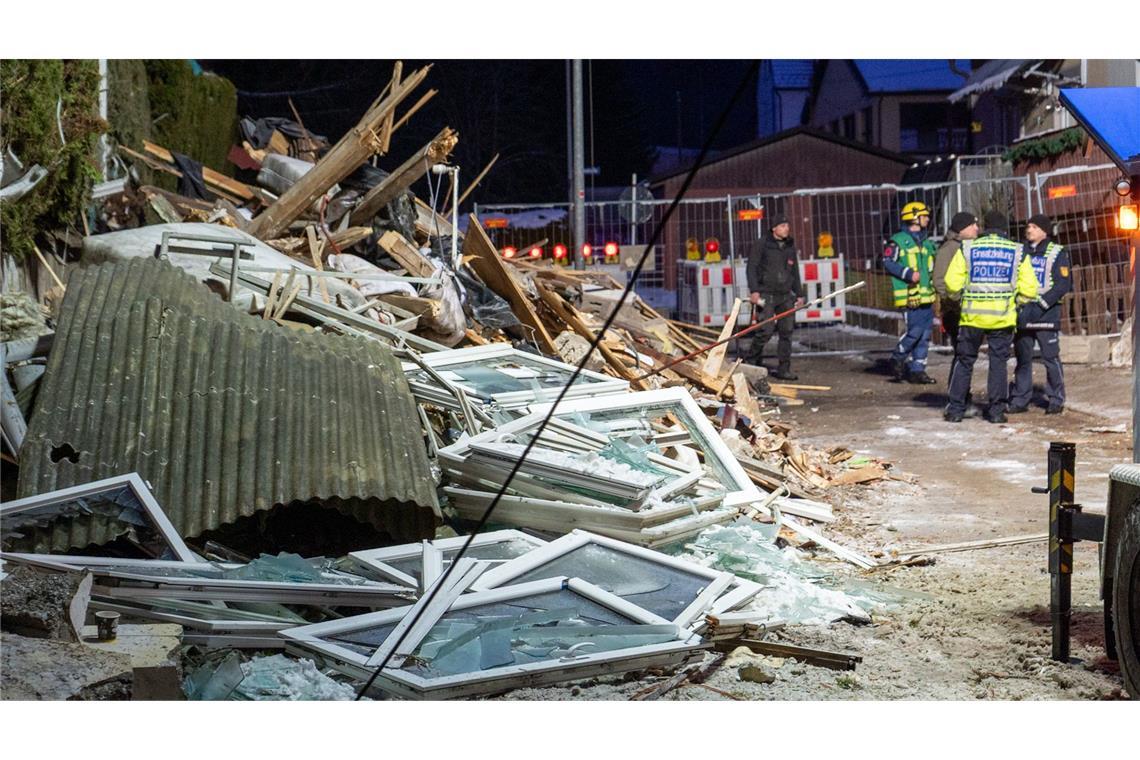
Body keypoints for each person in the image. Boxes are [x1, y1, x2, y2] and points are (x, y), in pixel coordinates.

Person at [943, 211, 1039, 423]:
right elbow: (1030, 289)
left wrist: (960, 297)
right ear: (1005, 229)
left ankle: (956, 410)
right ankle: (996, 412)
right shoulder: (1017, 251)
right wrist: (1018, 301)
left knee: (964, 361)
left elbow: (951, 282)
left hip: (972, 318)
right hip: (1002, 318)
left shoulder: (968, 248)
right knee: (998, 363)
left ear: (985, 227)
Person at [1009, 214, 1072, 414]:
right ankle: (1020, 399)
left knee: (1050, 358)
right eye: (1028, 226)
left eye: (1034, 227)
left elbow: (1063, 284)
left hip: (1046, 314)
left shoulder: (1057, 252)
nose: (1029, 230)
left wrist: (1042, 304)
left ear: (1044, 231)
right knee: (1023, 358)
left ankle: (1056, 398)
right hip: (1024, 313)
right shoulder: (1020, 251)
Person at [882, 201, 938, 384]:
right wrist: (907, 274)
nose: (928, 219)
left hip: (926, 296)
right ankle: (897, 357)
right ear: (915, 218)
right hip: (910, 296)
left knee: (924, 335)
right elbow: (887, 262)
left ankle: (917, 370)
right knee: (914, 332)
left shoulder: (928, 243)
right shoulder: (898, 241)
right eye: (925, 216)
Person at [746, 213, 804, 381]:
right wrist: (754, 290)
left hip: (785, 295)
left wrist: (799, 294)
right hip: (767, 293)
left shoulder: (789, 246)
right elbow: (752, 268)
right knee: (765, 330)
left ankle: (784, 369)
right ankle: (752, 362)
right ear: (774, 228)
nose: (787, 229)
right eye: (783, 226)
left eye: (787, 225)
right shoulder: (762, 244)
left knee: (786, 332)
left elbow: (794, 272)